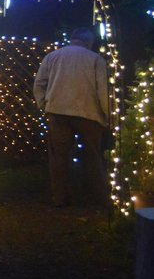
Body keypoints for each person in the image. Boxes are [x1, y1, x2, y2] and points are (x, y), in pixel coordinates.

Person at [33, 27, 111, 207]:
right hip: (88, 113)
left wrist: (44, 105)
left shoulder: (53, 57)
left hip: (58, 112)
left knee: (59, 157)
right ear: (89, 42)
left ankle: (60, 197)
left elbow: (39, 84)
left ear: (72, 39)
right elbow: (103, 91)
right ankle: (96, 198)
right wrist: (107, 116)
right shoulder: (95, 59)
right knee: (92, 156)